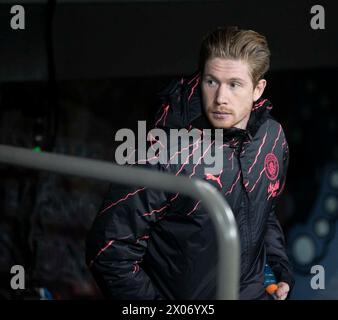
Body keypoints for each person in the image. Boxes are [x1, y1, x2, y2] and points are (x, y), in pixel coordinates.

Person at [85, 26, 294, 300]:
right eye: (211, 81)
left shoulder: (272, 138)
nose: (220, 98)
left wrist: (275, 272)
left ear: (258, 89)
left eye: (234, 84)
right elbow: (108, 250)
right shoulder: (163, 153)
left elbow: (264, 212)